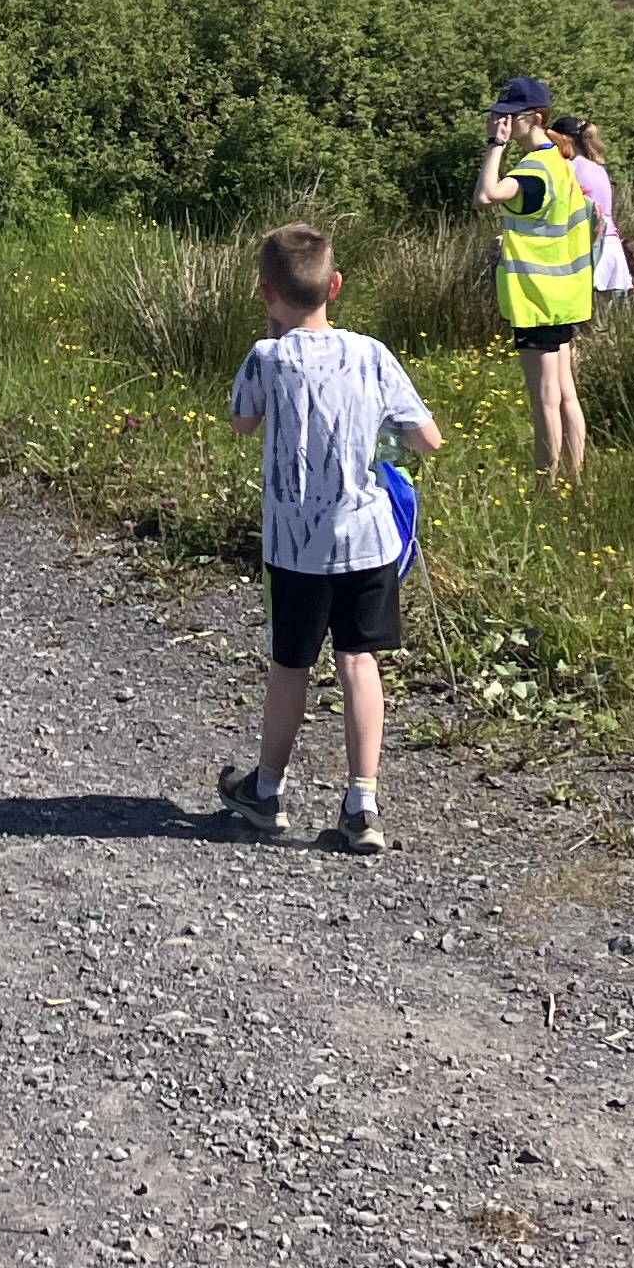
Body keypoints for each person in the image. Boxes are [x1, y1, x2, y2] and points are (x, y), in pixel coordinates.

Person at [218, 222, 440, 855]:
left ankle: (267, 790)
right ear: (334, 285)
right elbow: (428, 439)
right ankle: (362, 803)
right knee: (359, 662)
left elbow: (242, 422)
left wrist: (271, 340)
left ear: (267, 293)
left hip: (296, 547)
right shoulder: (372, 354)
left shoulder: (267, 358)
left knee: (291, 664)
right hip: (368, 540)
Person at [475, 75, 595, 482]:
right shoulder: (559, 162)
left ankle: (547, 485)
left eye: (513, 115)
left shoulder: (533, 170)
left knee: (545, 401)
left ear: (537, 118)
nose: (504, 121)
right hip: (564, 297)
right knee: (565, 395)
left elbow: (485, 195)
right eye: (499, 115)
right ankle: (576, 479)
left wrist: (495, 146)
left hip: (537, 300)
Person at [550, 113, 634, 321]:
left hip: (591, 245)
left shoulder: (570, 169)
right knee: (606, 320)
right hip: (610, 242)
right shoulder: (598, 168)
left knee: (581, 320)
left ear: (564, 139)